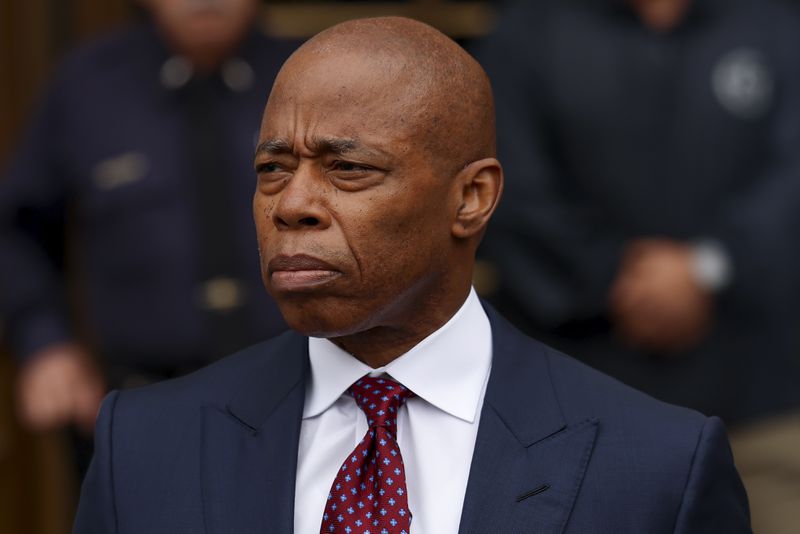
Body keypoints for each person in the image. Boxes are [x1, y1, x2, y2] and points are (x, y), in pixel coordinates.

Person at [73, 16, 750, 533]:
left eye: (349, 169)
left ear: (472, 198)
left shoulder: (659, 470)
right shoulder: (144, 448)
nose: (293, 204)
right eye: (272, 169)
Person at [472, 2, 800, 531]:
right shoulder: (529, 29)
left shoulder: (778, 25)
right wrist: (621, 279)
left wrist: (706, 269)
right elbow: (509, 186)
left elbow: (792, 186)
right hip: (572, 425)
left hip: (764, 412)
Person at [0, 0, 295, 440]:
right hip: (139, 401)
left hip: (300, 396)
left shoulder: (310, 75)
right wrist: (45, 343)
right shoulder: (87, 84)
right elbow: (16, 230)